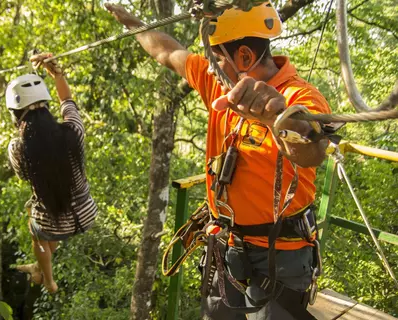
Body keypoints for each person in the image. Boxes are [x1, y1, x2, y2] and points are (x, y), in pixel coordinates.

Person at [106, 2, 330, 319]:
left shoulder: (299, 98)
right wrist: (131, 21)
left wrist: (276, 118)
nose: (209, 67)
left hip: (282, 252)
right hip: (227, 244)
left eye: (216, 58)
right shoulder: (218, 83)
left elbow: (311, 150)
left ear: (245, 58)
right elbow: (167, 53)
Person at [7, 53, 98, 293]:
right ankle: (39, 268)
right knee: (46, 219)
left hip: (55, 224)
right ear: (47, 106)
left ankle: (48, 280)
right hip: (86, 214)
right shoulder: (73, 131)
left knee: (35, 226)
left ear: (16, 116)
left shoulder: (19, 149)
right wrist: (56, 74)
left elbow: (23, 176)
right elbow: (67, 100)